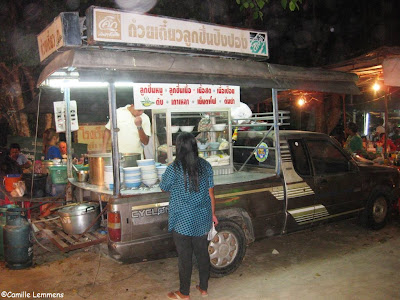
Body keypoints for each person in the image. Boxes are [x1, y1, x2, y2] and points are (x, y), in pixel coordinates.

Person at [159, 132, 218, 300]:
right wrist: (212, 214)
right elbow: (211, 193)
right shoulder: (206, 166)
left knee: (184, 257)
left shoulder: (174, 167)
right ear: (194, 146)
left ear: (179, 148)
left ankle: (184, 293)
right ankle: (204, 288)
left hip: (182, 220)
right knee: (202, 253)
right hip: (202, 218)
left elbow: (163, 186)